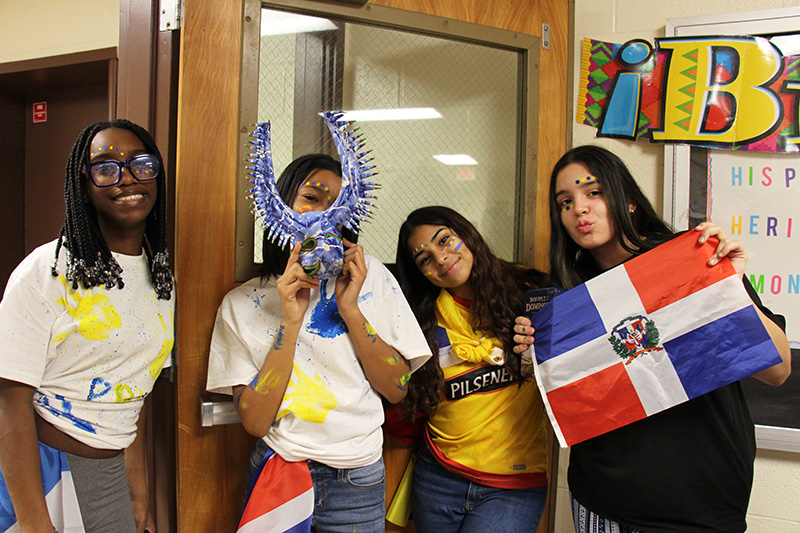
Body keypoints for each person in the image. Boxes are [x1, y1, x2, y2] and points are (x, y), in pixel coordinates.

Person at [513, 145, 791, 533]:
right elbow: (566, 412)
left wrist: (728, 288)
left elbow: (777, 370)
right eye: (565, 202)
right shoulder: (563, 297)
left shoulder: (692, 260)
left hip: (707, 504)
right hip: (607, 505)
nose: (579, 208)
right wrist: (535, 363)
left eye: (593, 192)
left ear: (627, 200)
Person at [206, 154, 431, 532]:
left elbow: (396, 389)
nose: (325, 214)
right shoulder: (241, 304)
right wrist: (291, 321)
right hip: (280, 472)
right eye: (311, 197)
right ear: (280, 206)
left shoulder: (370, 277)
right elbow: (256, 421)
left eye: (339, 204)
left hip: (357, 482)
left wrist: (351, 308)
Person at [0, 119, 174, 532]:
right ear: (84, 184)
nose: (126, 179)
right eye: (106, 168)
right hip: (42, 468)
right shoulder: (46, 271)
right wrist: (33, 523)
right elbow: (10, 403)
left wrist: (139, 493)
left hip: (110, 472)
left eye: (140, 165)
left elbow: (134, 393)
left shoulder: (160, 279)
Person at [393, 206, 550, 532]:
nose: (440, 258)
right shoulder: (420, 319)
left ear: (466, 233)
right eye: (424, 259)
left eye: (445, 240)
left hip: (514, 483)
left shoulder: (529, 292)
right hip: (438, 476)